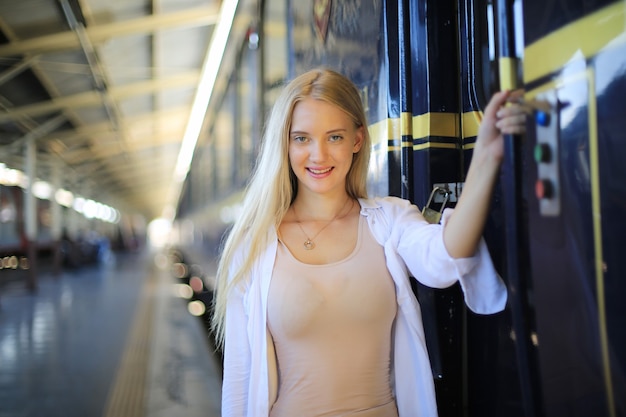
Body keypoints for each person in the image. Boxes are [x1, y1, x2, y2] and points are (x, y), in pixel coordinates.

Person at [211, 68, 527, 417]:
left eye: (334, 137)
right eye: (302, 138)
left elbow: (444, 262)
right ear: (284, 144)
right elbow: (239, 380)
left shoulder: (388, 221)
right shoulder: (253, 245)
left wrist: (486, 157)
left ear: (357, 140)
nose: (318, 155)